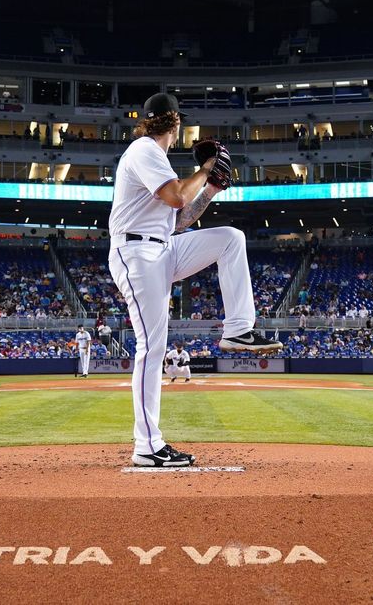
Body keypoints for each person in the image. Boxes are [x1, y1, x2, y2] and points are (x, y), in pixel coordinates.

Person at [107, 92, 281, 468]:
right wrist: (206, 168)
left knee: (231, 239)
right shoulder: (144, 149)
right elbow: (174, 198)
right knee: (152, 346)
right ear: (175, 123)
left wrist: (211, 190)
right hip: (136, 253)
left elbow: (180, 219)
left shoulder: (156, 158)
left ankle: (237, 329)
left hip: (161, 248)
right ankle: (147, 446)